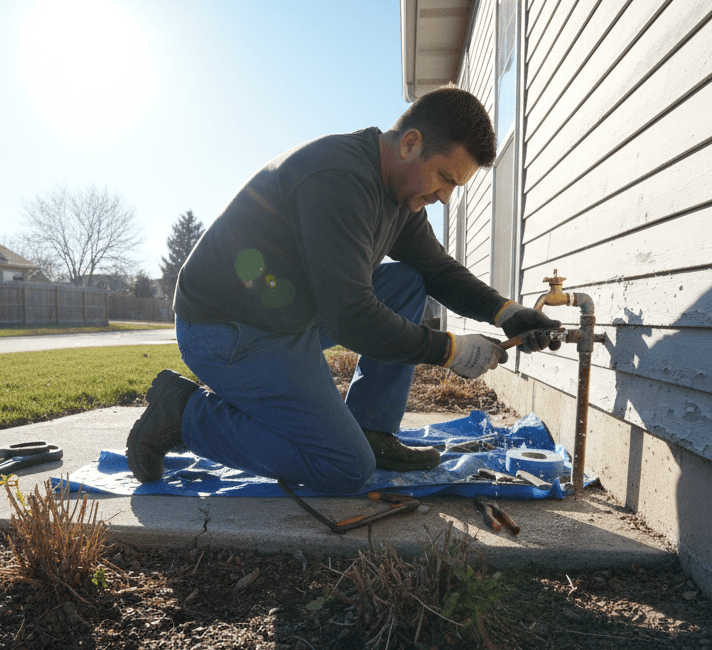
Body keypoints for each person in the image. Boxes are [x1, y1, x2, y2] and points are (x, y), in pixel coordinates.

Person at [126, 85, 560, 495]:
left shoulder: (400, 193)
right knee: (344, 466)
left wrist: (506, 312)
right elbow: (352, 317)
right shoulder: (337, 178)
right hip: (227, 331)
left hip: (287, 319)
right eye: (444, 178)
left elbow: (437, 269)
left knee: (410, 281)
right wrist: (450, 350)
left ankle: (371, 430)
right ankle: (184, 415)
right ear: (410, 144)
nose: (445, 197)